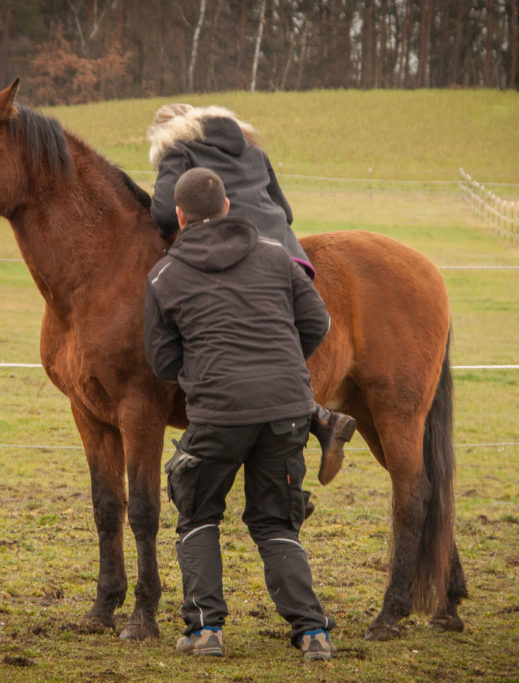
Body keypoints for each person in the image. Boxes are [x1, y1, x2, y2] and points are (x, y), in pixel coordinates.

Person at [144, 167, 336, 661]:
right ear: (228, 206)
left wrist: (209, 375)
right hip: (290, 411)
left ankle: (206, 630)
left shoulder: (164, 275)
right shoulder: (276, 256)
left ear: (180, 216)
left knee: (198, 513)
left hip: (217, 414)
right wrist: (284, 366)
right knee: (276, 524)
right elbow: (317, 321)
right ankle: (313, 632)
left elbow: (163, 362)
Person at [148, 103, 355, 485]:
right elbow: (286, 211)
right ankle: (316, 421)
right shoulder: (252, 149)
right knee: (272, 347)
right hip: (287, 258)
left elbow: (163, 211)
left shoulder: (179, 150)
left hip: (236, 260)